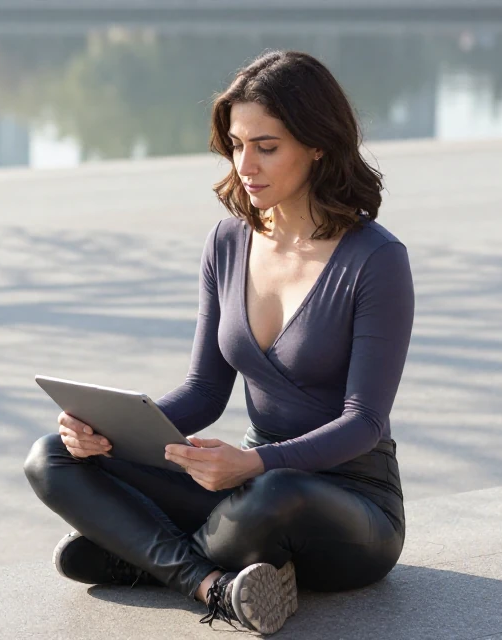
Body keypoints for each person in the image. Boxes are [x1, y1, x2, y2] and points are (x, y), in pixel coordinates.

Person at [24, 50, 414, 635]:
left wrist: (254, 462)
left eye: (267, 145)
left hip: (349, 507)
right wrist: (112, 433)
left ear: (317, 145)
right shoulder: (228, 242)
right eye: (235, 145)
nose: (246, 164)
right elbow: (205, 390)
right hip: (247, 480)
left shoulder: (377, 260)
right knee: (51, 456)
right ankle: (212, 584)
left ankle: (146, 557)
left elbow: (365, 421)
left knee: (270, 496)